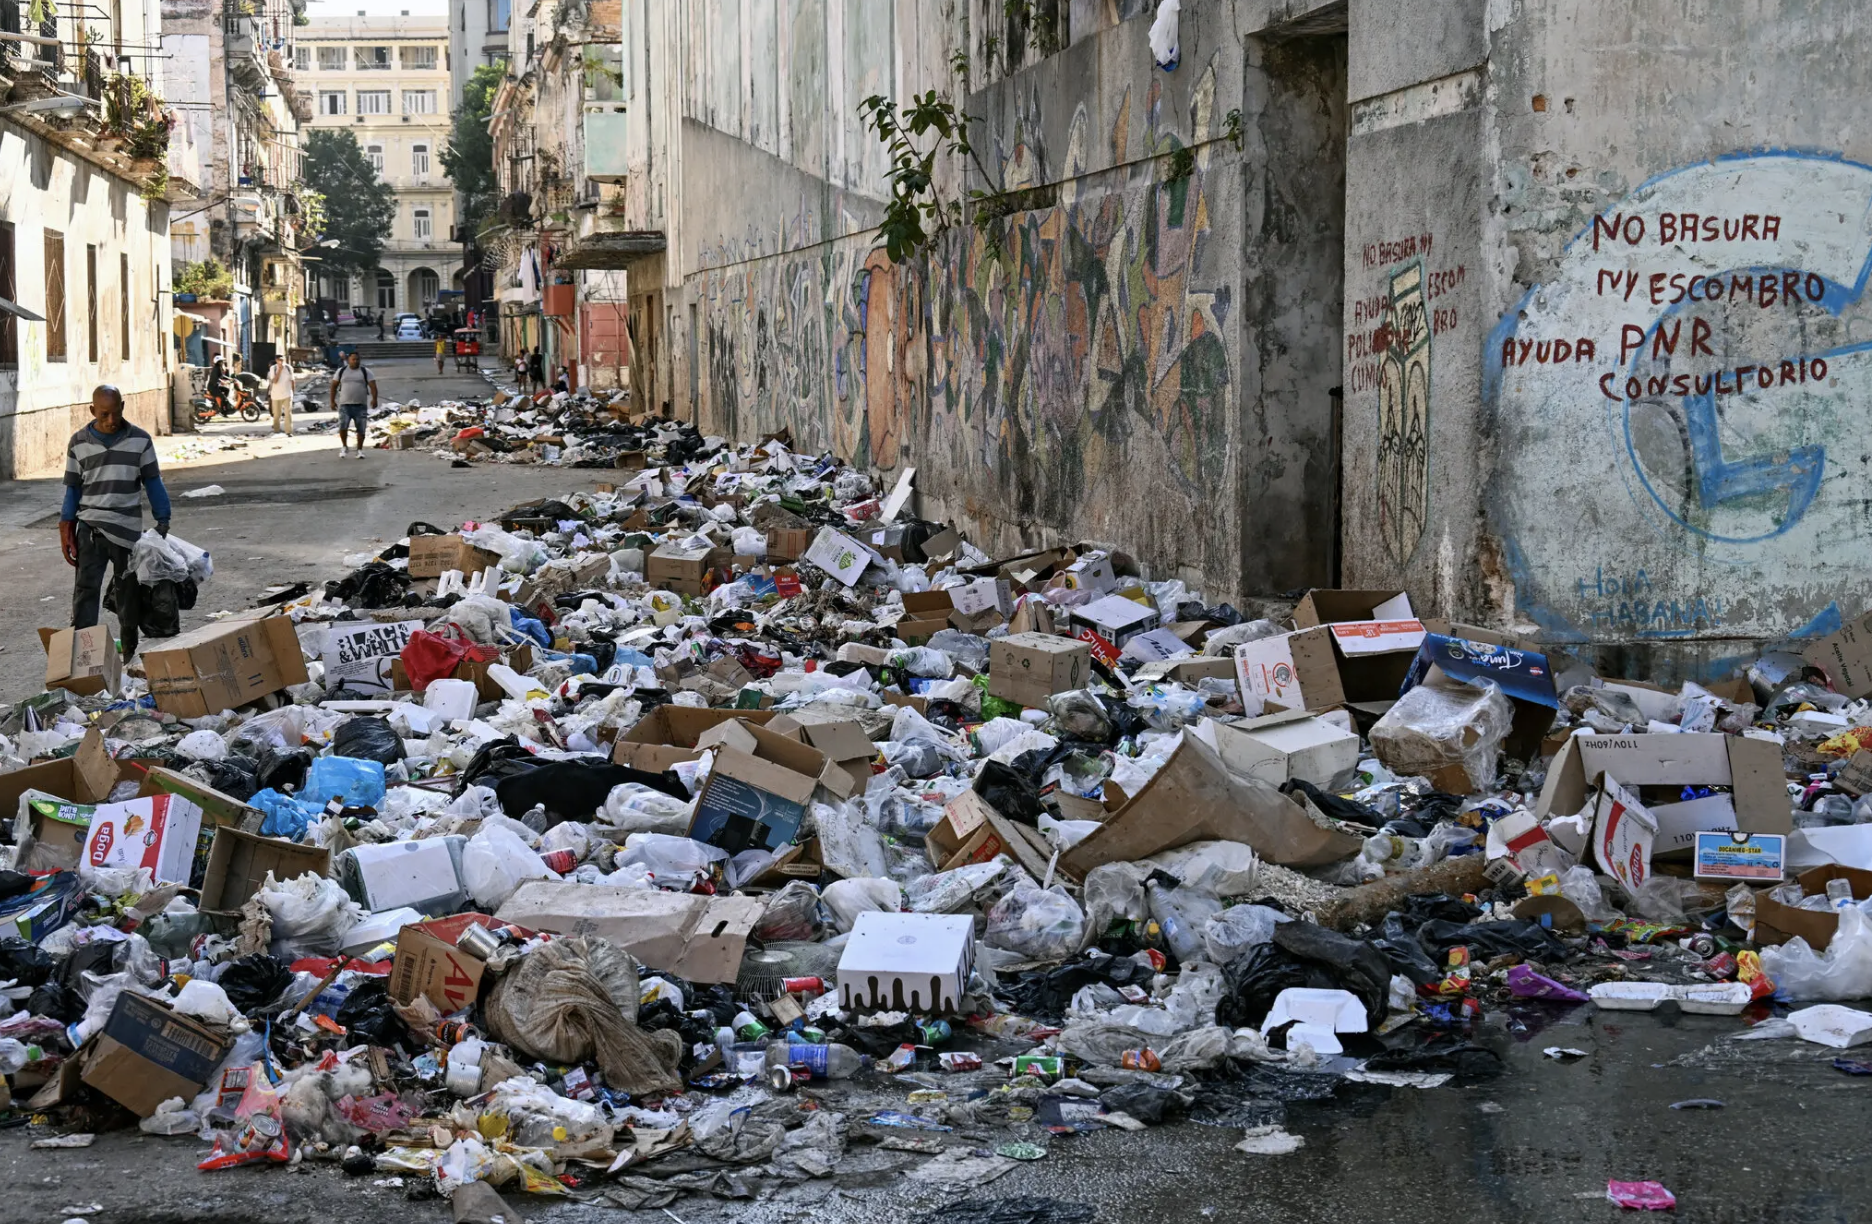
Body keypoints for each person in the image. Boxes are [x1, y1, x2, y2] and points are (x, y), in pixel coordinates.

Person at [59, 385, 170, 658]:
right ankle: (84, 657)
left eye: (116, 413)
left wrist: (163, 519)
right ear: (92, 411)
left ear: (123, 406)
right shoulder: (78, 442)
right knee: (85, 592)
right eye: (104, 414)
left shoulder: (140, 440)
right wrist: (66, 529)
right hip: (90, 531)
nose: (111, 420)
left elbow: (152, 481)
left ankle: (130, 653)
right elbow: (73, 489)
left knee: (128, 595)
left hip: (127, 533)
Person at [329, 350, 378, 458]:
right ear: (348, 360)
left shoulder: (366, 372)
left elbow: (373, 386)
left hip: (360, 405)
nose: (355, 361)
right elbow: (333, 386)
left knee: (361, 429)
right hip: (344, 405)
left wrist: (374, 399)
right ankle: (344, 446)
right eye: (353, 359)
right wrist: (332, 401)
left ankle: (359, 450)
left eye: (357, 359)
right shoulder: (341, 371)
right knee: (343, 427)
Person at [267, 353, 294, 435]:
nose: (281, 361)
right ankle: (276, 430)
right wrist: (279, 370)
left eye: (282, 360)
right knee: (277, 414)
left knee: (288, 413)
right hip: (276, 395)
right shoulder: (273, 368)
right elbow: (274, 381)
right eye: (279, 360)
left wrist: (293, 392)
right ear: (276, 360)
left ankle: (288, 431)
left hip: (287, 394)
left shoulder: (289, 368)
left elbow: (292, 380)